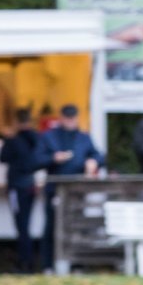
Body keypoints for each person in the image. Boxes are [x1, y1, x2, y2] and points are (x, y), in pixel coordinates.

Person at [38, 104, 103, 274]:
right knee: (52, 227)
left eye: (73, 117)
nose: (70, 121)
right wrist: (53, 158)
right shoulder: (49, 137)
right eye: (67, 117)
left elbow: (99, 155)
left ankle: (77, 263)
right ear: (61, 118)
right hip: (55, 189)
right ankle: (49, 265)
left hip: (77, 191)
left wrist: (93, 162)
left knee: (77, 227)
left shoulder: (83, 138)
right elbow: (35, 159)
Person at [0, 108, 48, 274]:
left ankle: (24, 263)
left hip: (17, 187)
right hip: (31, 186)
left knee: (21, 226)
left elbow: (2, 157)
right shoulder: (37, 138)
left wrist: (7, 139)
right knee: (27, 224)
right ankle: (30, 262)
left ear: (16, 122)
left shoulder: (14, 140)